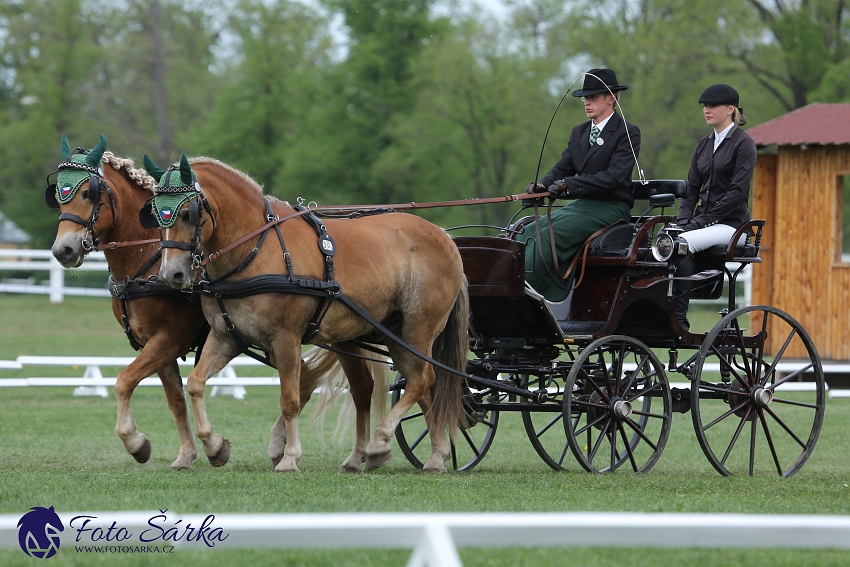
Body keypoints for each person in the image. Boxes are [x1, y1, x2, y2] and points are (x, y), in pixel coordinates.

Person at [521, 68, 641, 302]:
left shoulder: (627, 132)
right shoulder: (579, 132)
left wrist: (569, 184)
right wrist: (542, 185)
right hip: (582, 206)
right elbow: (564, 166)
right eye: (585, 98)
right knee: (527, 231)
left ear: (612, 98)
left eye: (593, 97)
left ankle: (532, 297)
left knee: (548, 237)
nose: (586, 102)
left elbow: (614, 177)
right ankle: (514, 287)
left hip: (611, 208)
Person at [674, 83, 757, 330]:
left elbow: (735, 195)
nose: (707, 110)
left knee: (681, 244)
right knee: (663, 241)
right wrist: (682, 220)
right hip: (704, 224)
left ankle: (679, 319)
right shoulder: (702, 145)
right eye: (705, 106)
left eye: (713, 105)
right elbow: (691, 191)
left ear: (730, 109)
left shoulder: (744, 145)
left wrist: (699, 222)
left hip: (733, 227)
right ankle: (659, 311)